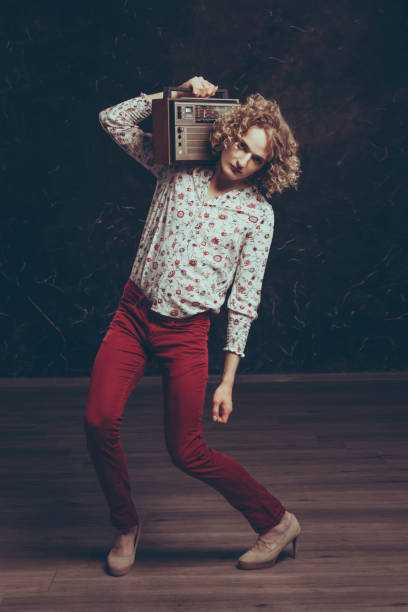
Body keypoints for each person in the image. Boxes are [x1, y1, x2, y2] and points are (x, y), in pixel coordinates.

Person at [84, 76, 301, 575]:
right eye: (242, 145)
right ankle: (125, 525)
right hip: (133, 316)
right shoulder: (174, 167)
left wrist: (227, 380)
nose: (243, 160)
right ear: (229, 133)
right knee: (98, 420)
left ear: (268, 167)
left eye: (257, 158)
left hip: (188, 334)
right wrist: (173, 93)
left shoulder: (257, 216)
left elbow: (245, 299)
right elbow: (111, 120)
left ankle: (276, 521)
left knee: (186, 449)